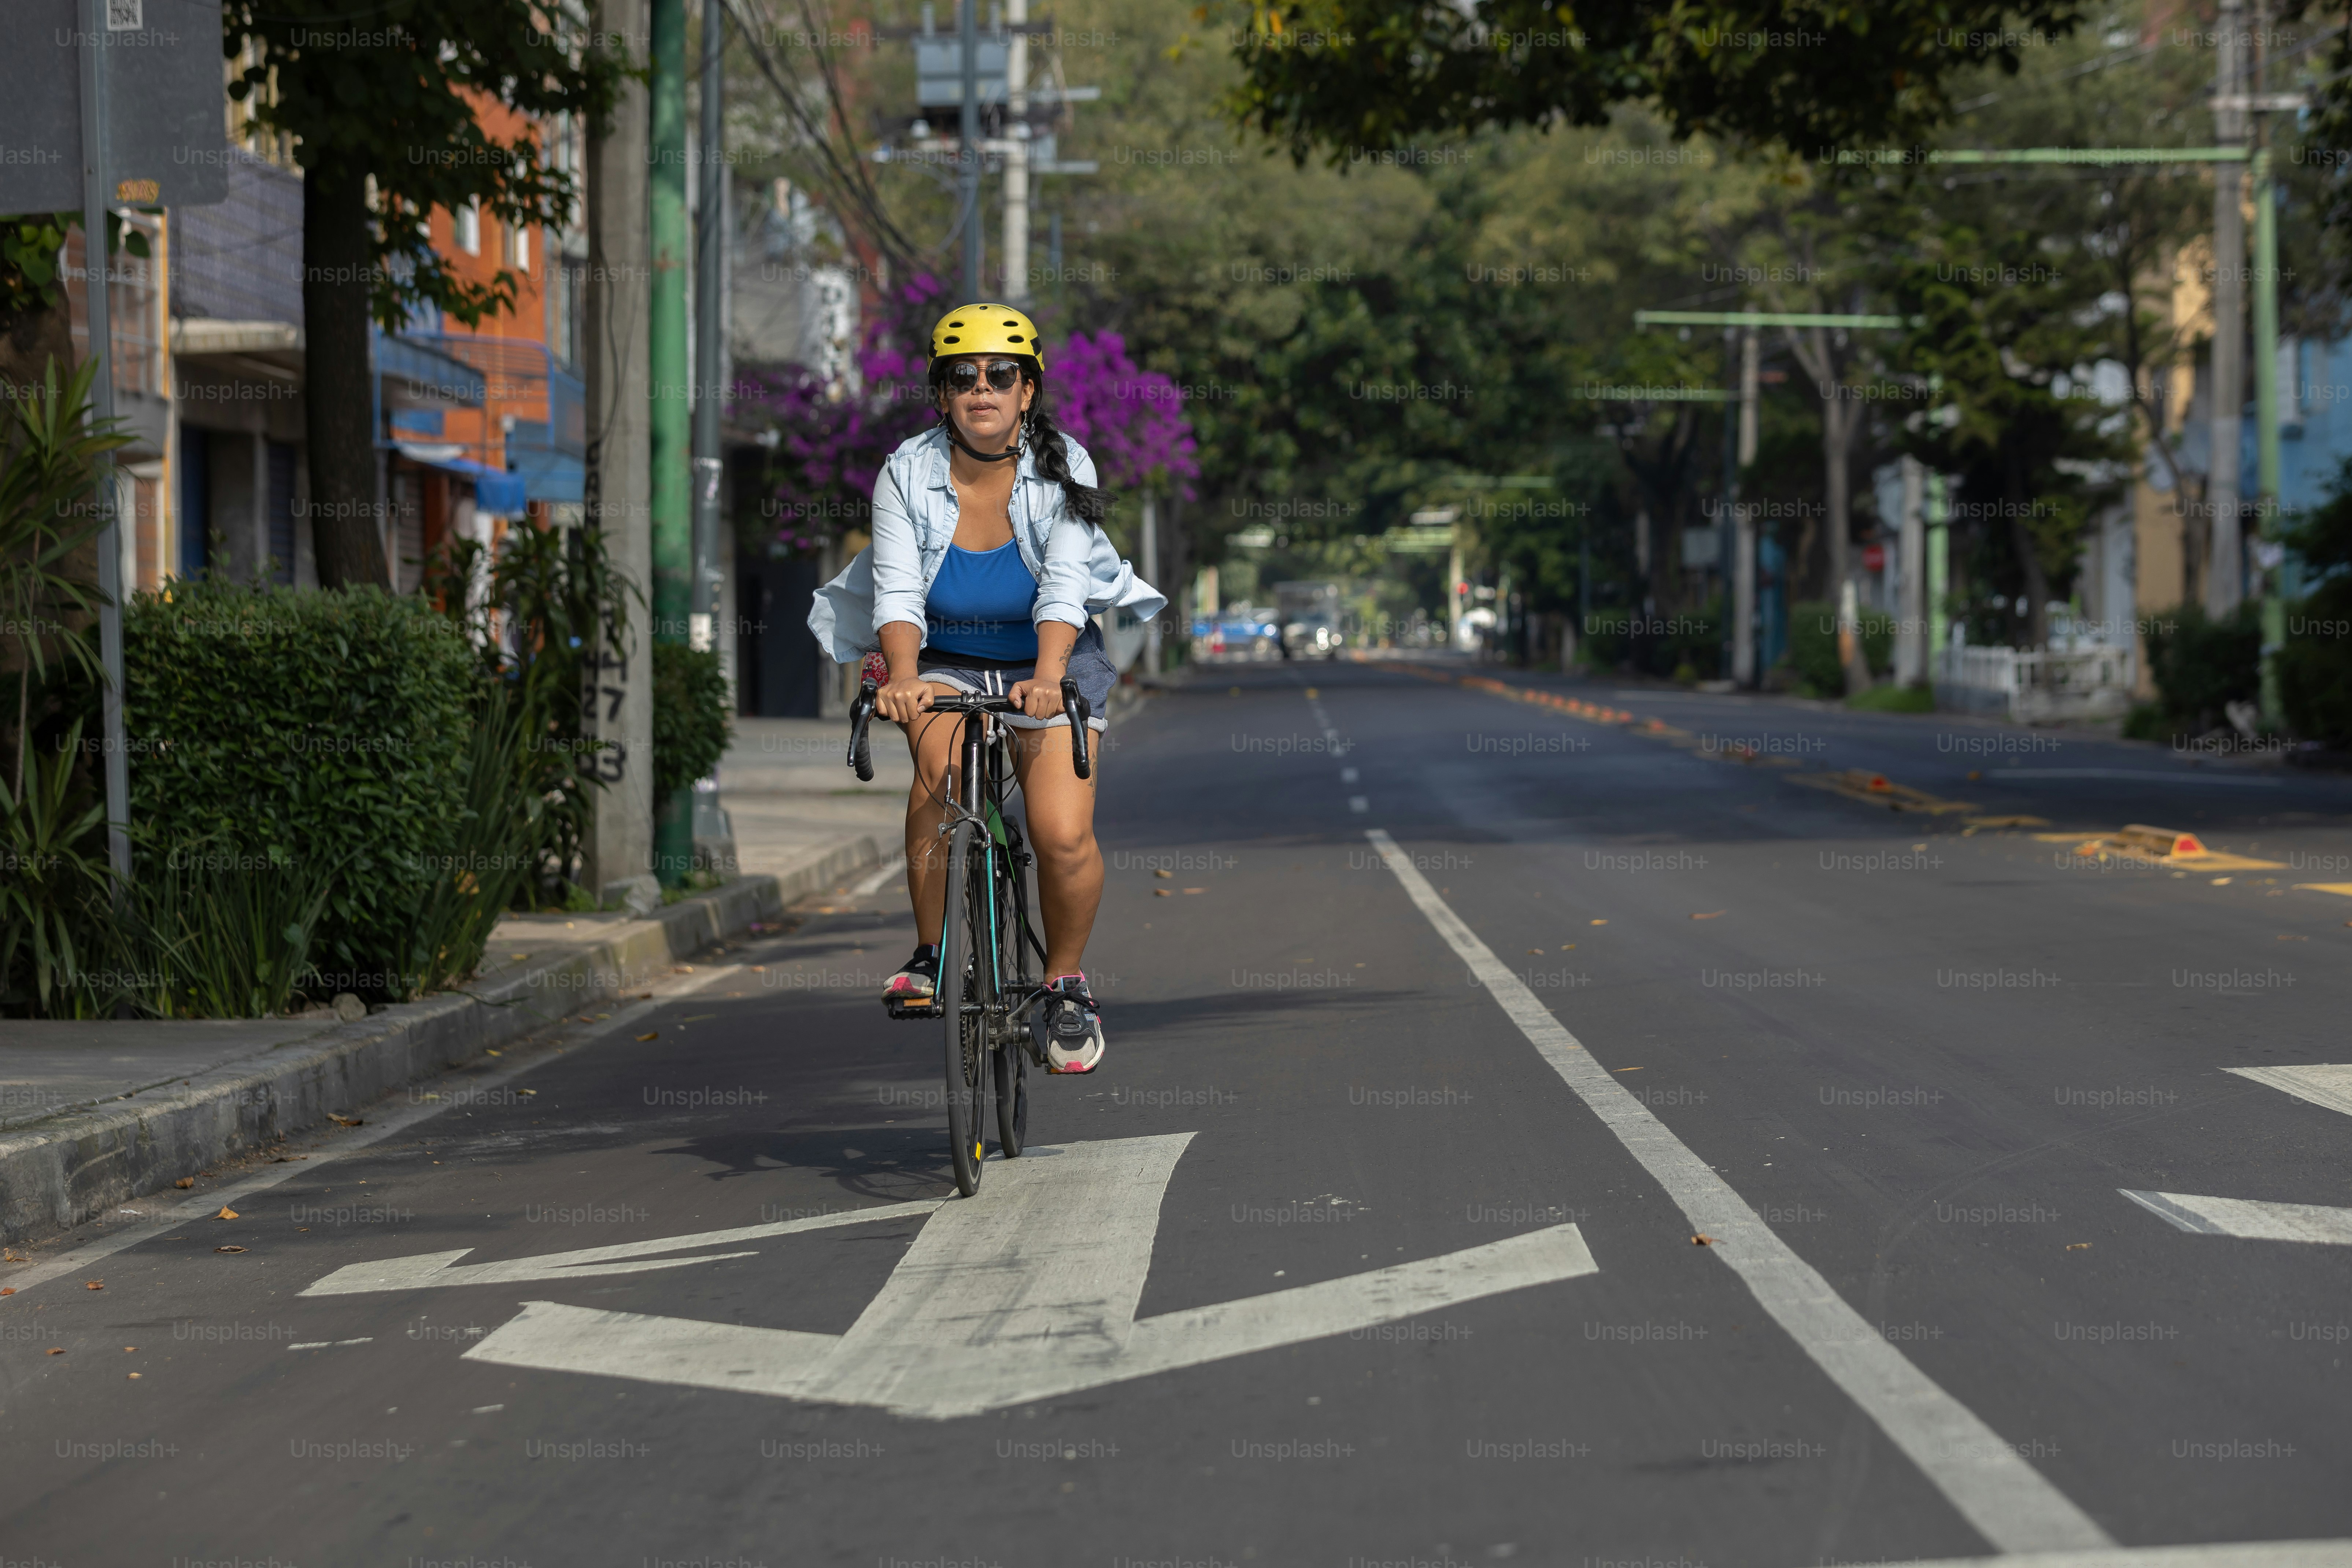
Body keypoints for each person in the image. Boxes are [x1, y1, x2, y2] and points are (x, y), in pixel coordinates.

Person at [806, 304, 1163, 1074]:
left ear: (1027, 391)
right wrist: (902, 680)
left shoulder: (1066, 464)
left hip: (1053, 658)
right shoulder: (906, 470)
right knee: (938, 781)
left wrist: (1044, 679)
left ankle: (1066, 983)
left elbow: (1067, 584)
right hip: (943, 656)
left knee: (1059, 830)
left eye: (1002, 375)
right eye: (961, 376)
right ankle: (935, 954)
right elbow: (897, 590)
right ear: (940, 396)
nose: (982, 389)